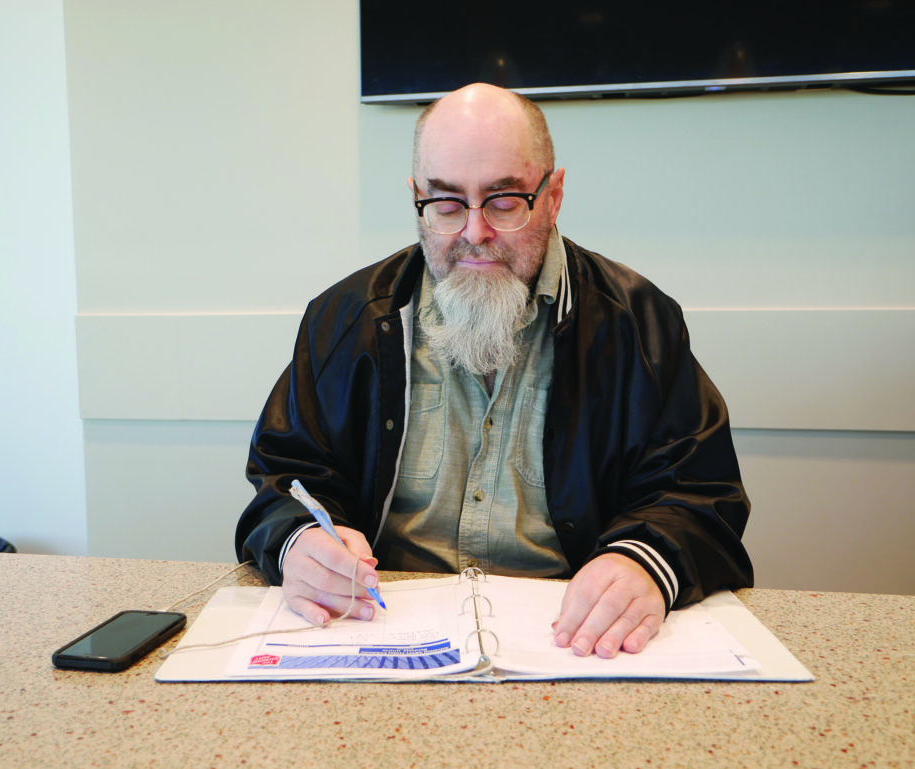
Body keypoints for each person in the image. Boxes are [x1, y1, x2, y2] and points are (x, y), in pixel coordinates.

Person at [236, 83, 753, 659]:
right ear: (417, 198)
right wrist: (299, 540)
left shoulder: (639, 324)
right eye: (446, 203)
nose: (474, 232)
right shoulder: (344, 319)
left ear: (553, 195)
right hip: (383, 633)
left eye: (504, 202)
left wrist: (644, 562)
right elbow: (286, 477)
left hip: (573, 641)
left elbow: (700, 494)